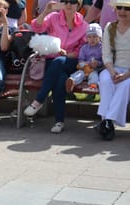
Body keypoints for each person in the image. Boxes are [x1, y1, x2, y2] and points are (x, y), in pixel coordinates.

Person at [23, 0, 88, 134]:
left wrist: (66, 54)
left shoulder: (84, 25)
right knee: (60, 80)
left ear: (79, 5)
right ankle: (59, 121)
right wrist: (46, 11)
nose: (69, 4)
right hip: (52, 62)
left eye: (73, 2)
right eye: (65, 1)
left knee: (59, 61)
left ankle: (39, 100)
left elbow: (81, 51)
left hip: (71, 61)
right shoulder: (53, 17)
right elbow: (35, 27)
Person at [94, 0, 130, 141]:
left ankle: (106, 122)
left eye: (126, 8)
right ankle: (108, 123)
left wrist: (126, 74)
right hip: (112, 68)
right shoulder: (110, 27)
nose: (122, 11)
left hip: (129, 71)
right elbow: (106, 54)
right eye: (119, 8)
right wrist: (112, 71)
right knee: (105, 81)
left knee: (125, 85)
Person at [66, 22, 103, 93]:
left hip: (96, 69)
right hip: (85, 68)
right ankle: (72, 81)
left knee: (94, 75)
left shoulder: (101, 48)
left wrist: (97, 63)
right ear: (87, 38)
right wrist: (84, 65)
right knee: (80, 74)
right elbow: (80, 59)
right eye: (89, 37)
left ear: (99, 37)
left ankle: (93, 87)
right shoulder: (84, 48)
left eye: (95, 36)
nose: (92, 39)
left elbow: (103, 61)